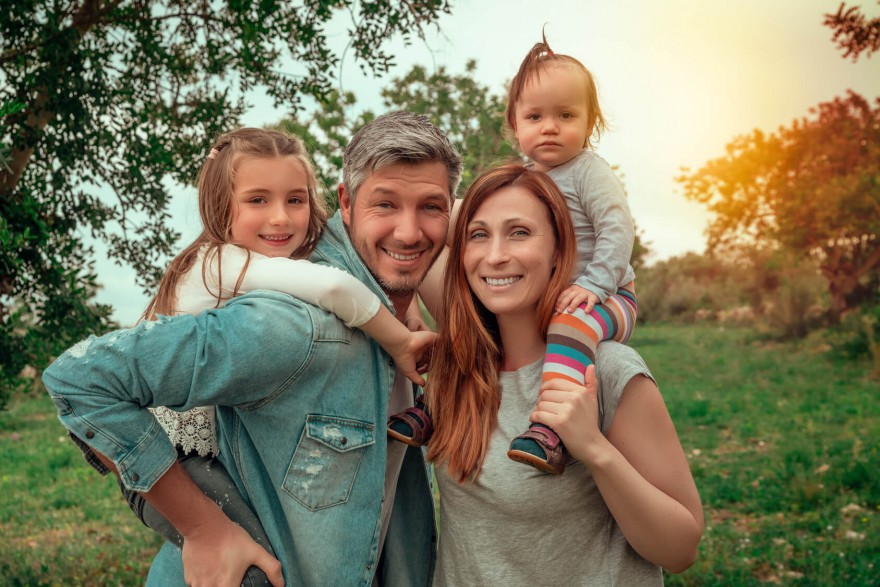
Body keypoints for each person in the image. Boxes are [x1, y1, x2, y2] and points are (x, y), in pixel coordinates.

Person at [43, 111, 462, 586]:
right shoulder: (287, 319)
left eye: (432, 207)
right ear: (345, 202)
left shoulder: (384, 290)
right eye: (384, 205)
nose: (409, 232)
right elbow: (81, 376)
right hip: (182, 457)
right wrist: (204, 529)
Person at [424, 164, 703, 584]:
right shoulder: (461, 367)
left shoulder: (606, 371)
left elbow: (680, 549)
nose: (496, 255)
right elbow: (415, 232)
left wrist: (594, 449)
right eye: (477, 235)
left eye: (520, 232)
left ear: (560, 250)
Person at [389, 37, 639, 476]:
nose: (550, 127)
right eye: (535, 116)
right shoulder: (521, 182)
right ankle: (433, 406)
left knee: (569, 323)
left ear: (589, 123)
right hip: (555, 294)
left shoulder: (588, 172)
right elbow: (454, 224)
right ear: (514, 124)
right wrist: (406, 295)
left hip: (609, 296)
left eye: (566, 115)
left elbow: (617, 228)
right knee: (471, 325)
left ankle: (549, 429)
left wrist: (594, 286)